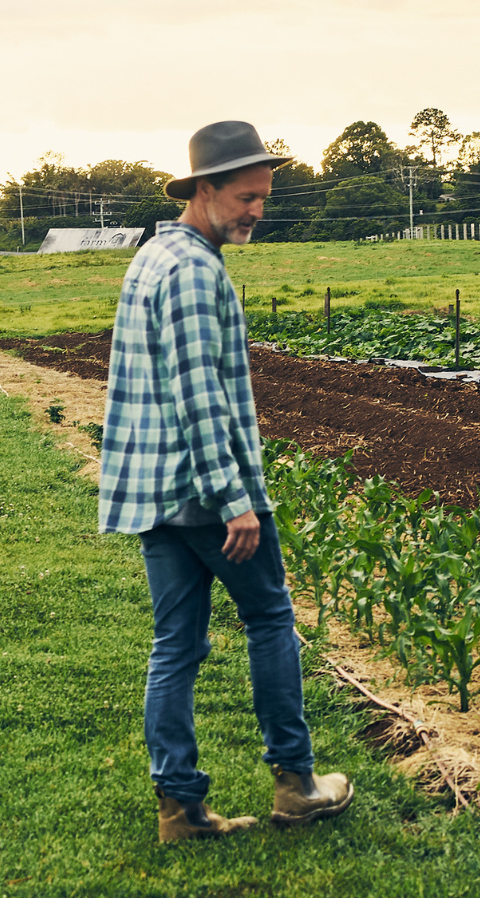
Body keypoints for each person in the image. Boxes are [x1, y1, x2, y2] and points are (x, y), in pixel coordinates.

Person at [99, 119, 352, 841]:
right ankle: (297, 784)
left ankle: (180, 807)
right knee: (270, 617)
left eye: (263, 198)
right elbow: (198, 392)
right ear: (204, 190)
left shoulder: (156, 255)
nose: (255, 212)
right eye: (244, 197)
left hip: (156, 492)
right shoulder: (193, 270)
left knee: (176, 644)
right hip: (205, 492)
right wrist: (235, 500)